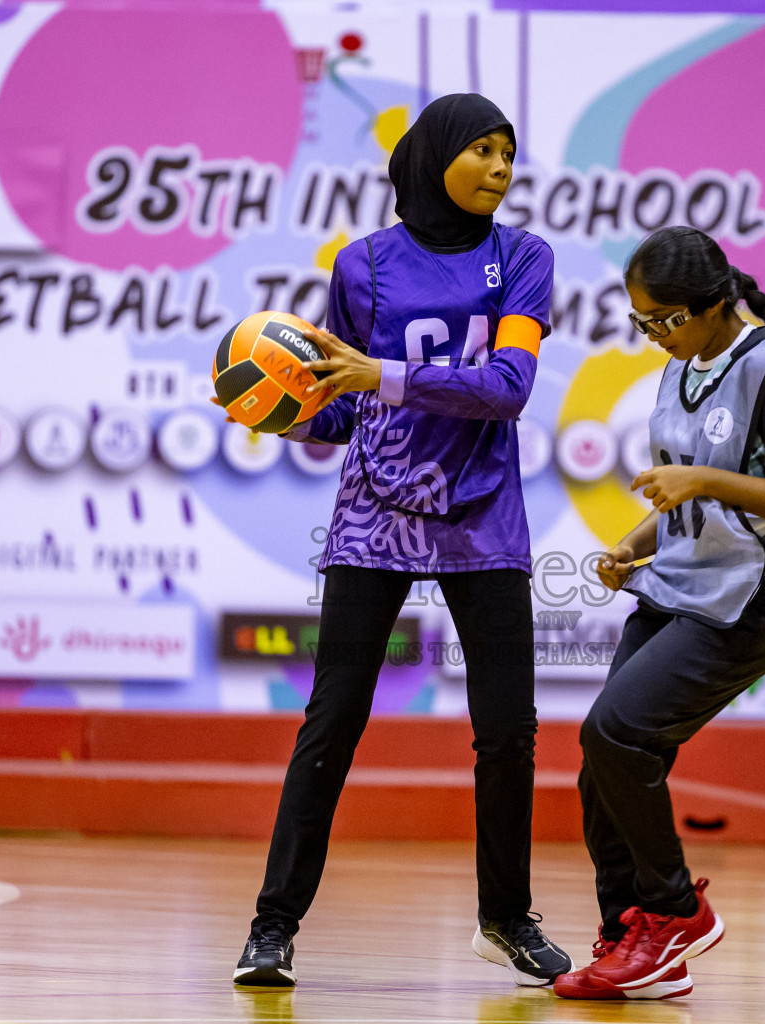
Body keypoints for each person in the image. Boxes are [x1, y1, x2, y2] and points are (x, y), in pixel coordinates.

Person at [232, 93, 571, 989]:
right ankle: (272, 930)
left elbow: (506, 388)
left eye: (508, 152)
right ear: (434, 159)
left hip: (484, 512)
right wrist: (283, 409)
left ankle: (506, 919)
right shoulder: (364, 266)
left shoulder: (524, 259)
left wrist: (378, 375)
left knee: (507, 733)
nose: (501, 167)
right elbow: (344, 403)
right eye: (483, 151)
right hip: (373, 514)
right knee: (332, 719)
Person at [552, 226, 765, 1001]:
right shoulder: (685, 365)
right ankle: (634, 935)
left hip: (747, 603)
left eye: (663, 320)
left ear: (713, 305)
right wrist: (634, 542)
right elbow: (692, 485)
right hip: (678, 587)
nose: (653, 334)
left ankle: (675, 912)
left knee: (615, 733)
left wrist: (699, 483)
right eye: (641, 321)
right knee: (604, 762)